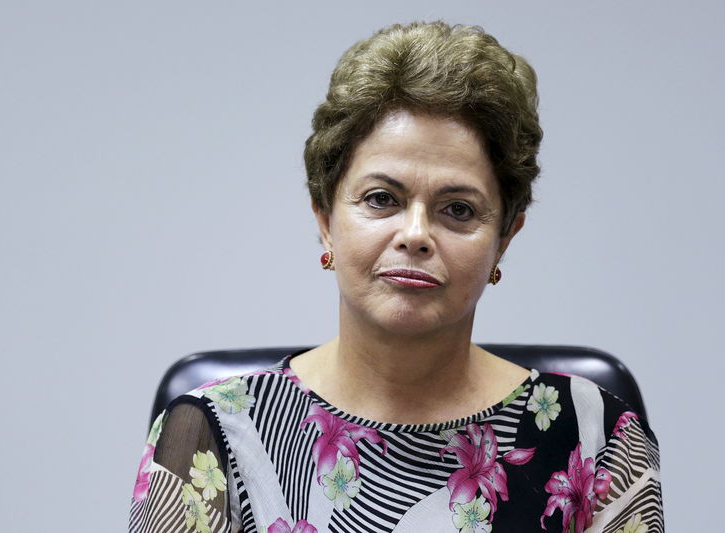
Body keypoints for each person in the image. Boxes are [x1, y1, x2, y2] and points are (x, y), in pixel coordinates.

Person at [129, 22, 663, 533]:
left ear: (505, 236)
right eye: (382, 199)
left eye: (457, 209)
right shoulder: (209, 432)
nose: (416, 234)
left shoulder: (596, 436)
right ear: (325, 221)